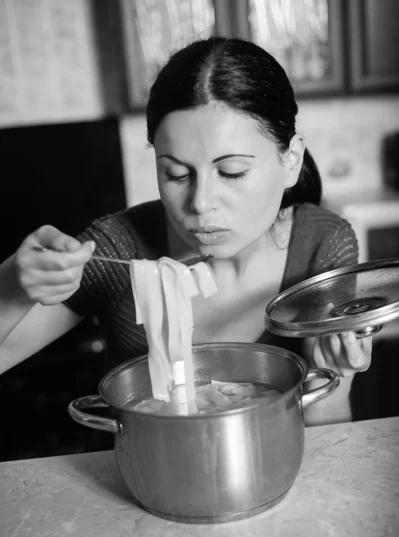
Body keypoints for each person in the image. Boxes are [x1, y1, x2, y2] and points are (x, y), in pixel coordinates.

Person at [0, 36, 372, 426]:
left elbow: (328, 431)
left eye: (232, 172)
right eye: (175, 174)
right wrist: (11, 287)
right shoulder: (119, 248)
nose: (200, 202)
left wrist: (337, 372)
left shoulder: (322, 245)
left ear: (291, 161)